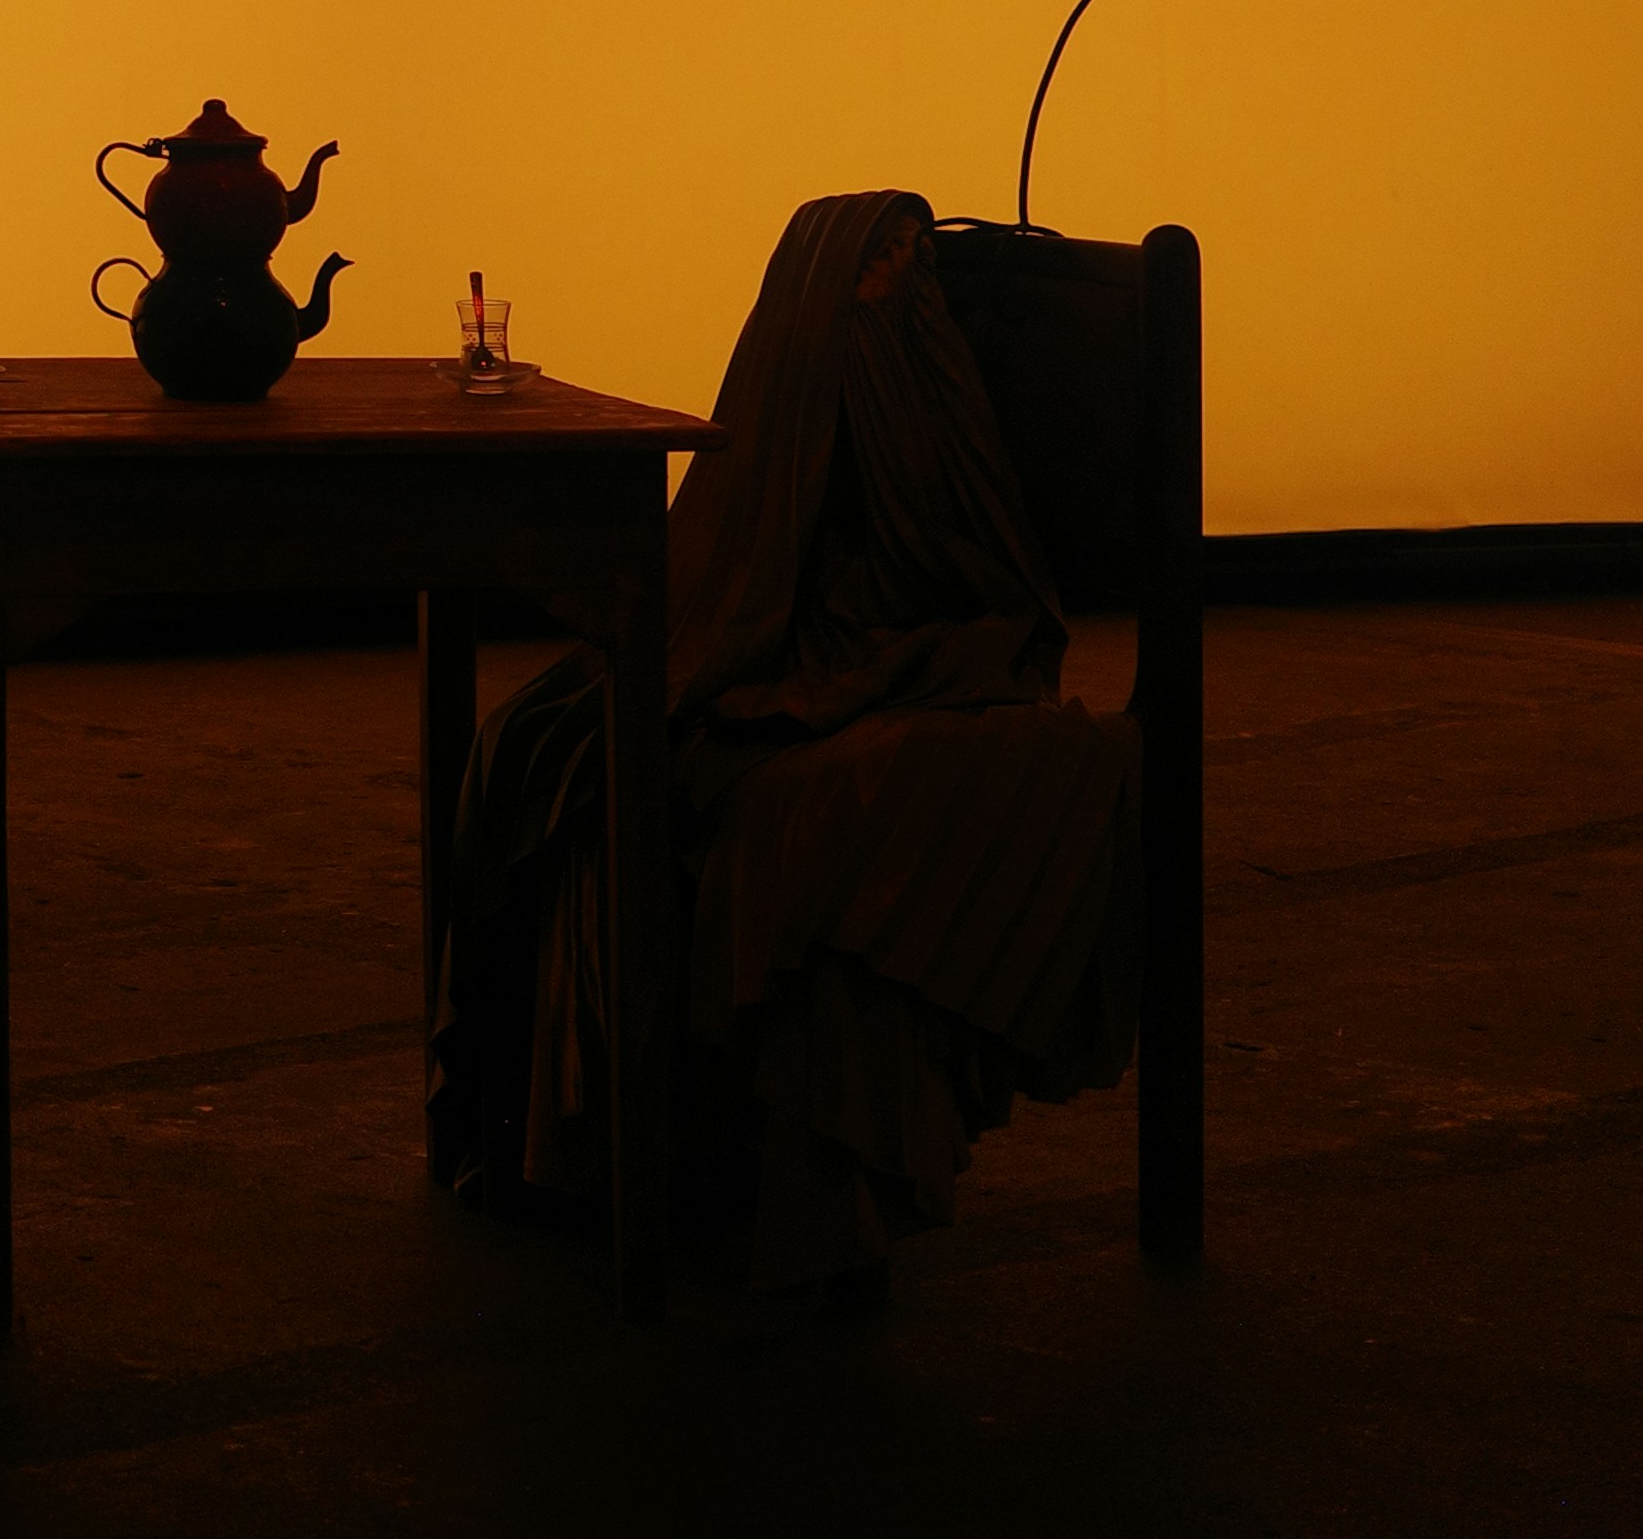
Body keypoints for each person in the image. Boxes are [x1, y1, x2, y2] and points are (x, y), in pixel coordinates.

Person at [429, 188, 1137, 1304]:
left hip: (891, 645)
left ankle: (678, 1162)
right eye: (875, 267)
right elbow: (758, 528)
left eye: (907, 264)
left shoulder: (920, 383)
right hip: (814, 630)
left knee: (682, 780)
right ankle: (591, 1144)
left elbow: (967, 569)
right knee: (546, 743)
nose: (892, 283)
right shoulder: (824, 378)